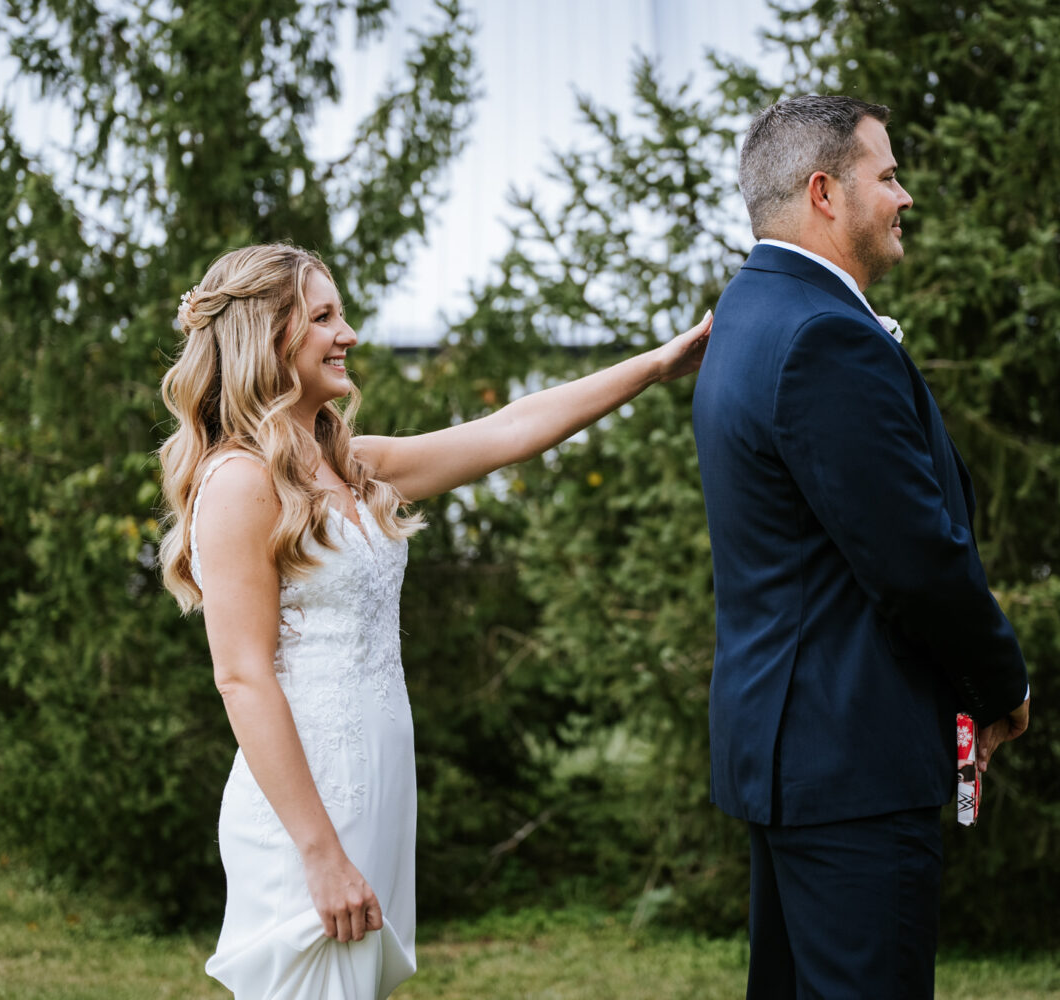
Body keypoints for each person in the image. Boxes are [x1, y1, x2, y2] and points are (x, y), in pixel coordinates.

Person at [158, 243, 710, 1000]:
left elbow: (510, 431)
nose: (347, 334)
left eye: (341, 314)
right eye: (324, 317)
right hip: (306, 812)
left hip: (375, 793)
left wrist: (655, 365)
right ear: (268, 336)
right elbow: (242, 676)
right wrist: (319, 854)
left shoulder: (351, 466)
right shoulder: (239, 483)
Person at [691, 96, 1031, 998]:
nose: (904, 196)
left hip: (797, 753)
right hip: (851, 766)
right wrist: (1002, 685)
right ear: (824, 194)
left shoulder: (747, 317)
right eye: (885, 175)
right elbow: (915, 560)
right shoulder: (821, 337)